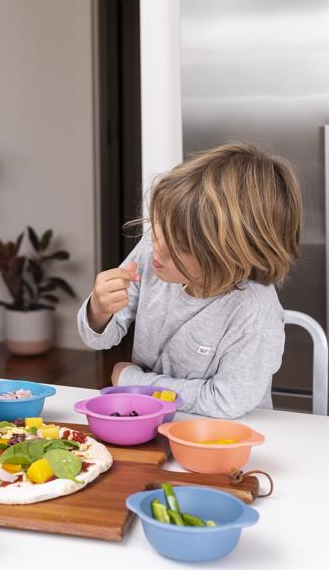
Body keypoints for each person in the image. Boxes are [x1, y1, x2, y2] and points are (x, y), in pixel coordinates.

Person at [77, 143, 302, 419]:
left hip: (225, 438)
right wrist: (99, 311)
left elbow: (225, 401)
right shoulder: (154, 252)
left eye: (180, 246)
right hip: (152, 422)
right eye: (158, 227)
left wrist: (133, 383)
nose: (158, 247)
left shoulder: (253, 312)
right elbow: (99, 338)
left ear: (231, 258)